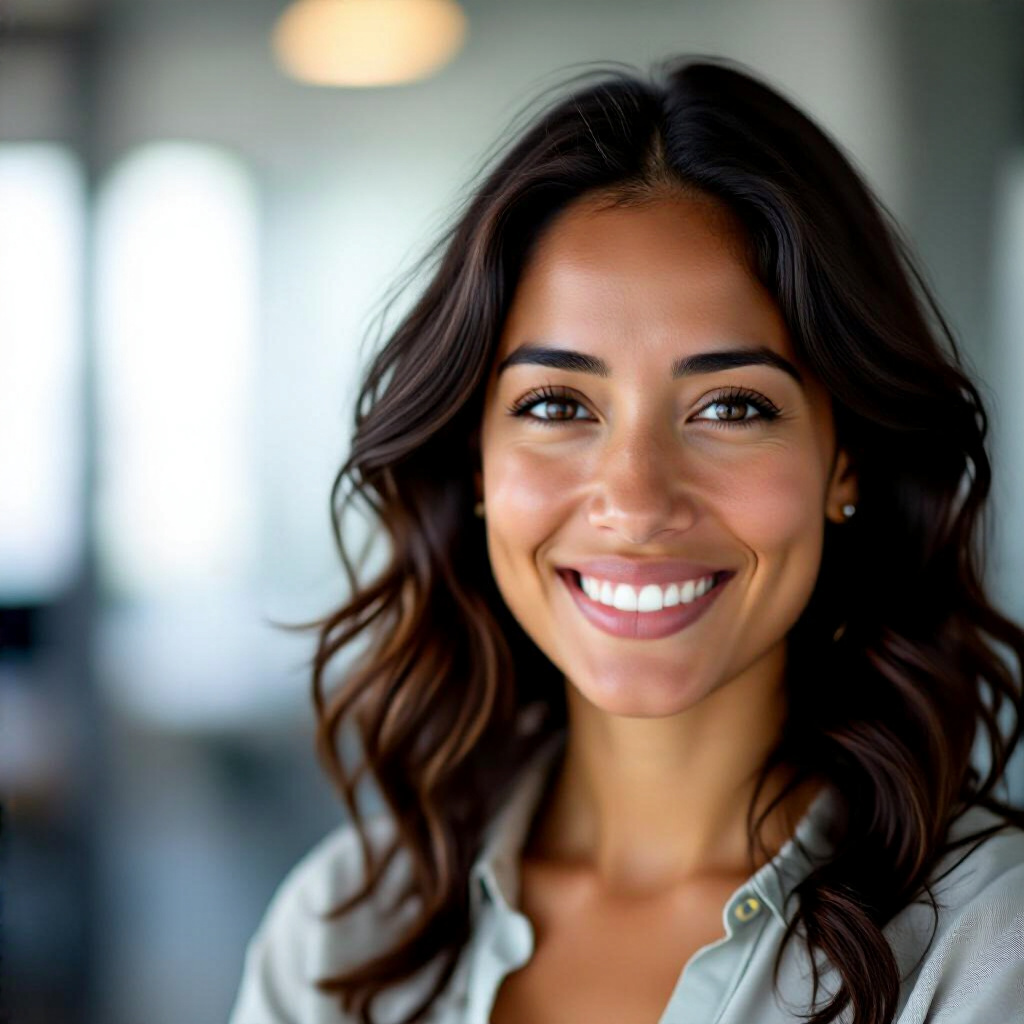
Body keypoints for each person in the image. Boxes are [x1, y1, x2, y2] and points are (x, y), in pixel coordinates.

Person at [228, 55, 1024, 1024]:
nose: (637, 499)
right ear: (475, 464)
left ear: (843, 461)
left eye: (731, 405)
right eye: (557, 403)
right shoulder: (339, 935)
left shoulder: (985, 945)